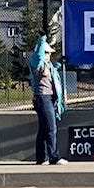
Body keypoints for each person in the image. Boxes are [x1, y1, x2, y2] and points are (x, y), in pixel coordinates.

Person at [28, 33, 67, 165]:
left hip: (46, 98)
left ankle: (41, 158)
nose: (49, 55)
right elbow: (39, 56)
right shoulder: (36, 63)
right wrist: (42, 39)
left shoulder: (47, 65)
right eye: (47, 52)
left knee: (43, 129)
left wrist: (59, 63)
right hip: (42, 98)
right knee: (51, 128)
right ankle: (54, 157)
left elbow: (52, 72)